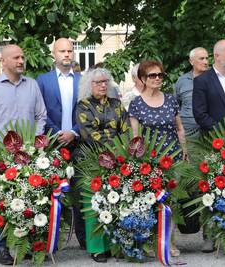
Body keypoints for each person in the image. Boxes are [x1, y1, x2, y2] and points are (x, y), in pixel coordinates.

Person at [0, 44, 47, 265]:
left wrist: (29, 143)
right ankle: (2, 247)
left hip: (29, 154)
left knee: (29, 199)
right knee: (3, 201)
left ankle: (26, 245)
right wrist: (5, 144)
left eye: (22, 56)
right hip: (1, 154)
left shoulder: (32, 85)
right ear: (3, 61)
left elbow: (41, 116)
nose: (21, 60)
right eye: (16, 57)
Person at [129, 60, 187, 257]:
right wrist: (138, 159)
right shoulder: (136, 104)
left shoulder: (170, 100)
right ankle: (152, 240)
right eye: (152, 75)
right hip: (150, 161)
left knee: (172, 202)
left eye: (160, 75)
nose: (157, 78)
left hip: (173, 159)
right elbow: (135, 136)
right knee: (151, 202)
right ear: (143, 79)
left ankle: (169, 242)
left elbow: (179, 128)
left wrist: (184, 150)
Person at [36, 38, 84, 249]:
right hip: (52, 144)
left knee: (81, 192)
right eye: (62, 51)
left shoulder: (83, 80)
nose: (66, 54)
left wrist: (74, 131)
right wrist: (57, 134)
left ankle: (85, 241)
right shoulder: (42, 80)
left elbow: (87, 113)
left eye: (69, 51)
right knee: (51, 194)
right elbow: (40, 112)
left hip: (79, 142)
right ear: (53, 54)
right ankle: (49, 241)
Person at [76, 68, 128, 262]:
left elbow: (126, 129)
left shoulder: (117, 104)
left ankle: (115, 246)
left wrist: (119, 150)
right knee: (94, 206)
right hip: (92, 160)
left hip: (117, 160)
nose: (103, 85)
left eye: (106, 81)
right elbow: (89, 133)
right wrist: (113, 146)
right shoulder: (83, 105)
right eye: (98, 82)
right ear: (89, 85)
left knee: (116, 202)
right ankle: (97, 248)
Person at [174, 47, 213, 252]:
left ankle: (209, 235)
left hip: (209, 137)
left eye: (207, 58)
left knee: (209, 184)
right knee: (184, 183)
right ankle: (175, 235)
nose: (206, 62)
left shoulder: (213, 79)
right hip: (188, 137)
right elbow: (176, 108)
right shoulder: (182, 82)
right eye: (201, 58)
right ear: (191, 61)